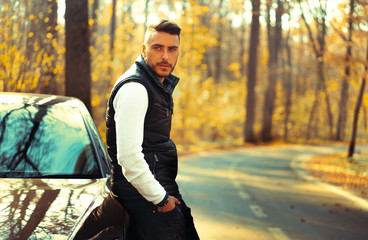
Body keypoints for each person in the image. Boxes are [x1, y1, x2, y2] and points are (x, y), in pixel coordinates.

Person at [106, 19, 200, 240]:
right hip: (147, 200)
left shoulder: (154, 85)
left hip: (155, 195)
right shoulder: (135, 89)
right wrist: (162, 200)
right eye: (158, 48)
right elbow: (129, 158)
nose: (165, 56)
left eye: (172, 49)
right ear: (144, 50)